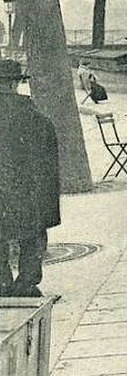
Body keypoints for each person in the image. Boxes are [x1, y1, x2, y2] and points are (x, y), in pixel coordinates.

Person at [0, 60, 59, 297]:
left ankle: (2, 284)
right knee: (33, 234)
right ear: (15, 83)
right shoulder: (35, 116)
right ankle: (26, 283)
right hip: (27, 192)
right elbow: (48, 159)